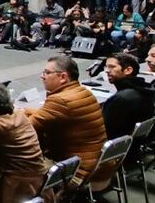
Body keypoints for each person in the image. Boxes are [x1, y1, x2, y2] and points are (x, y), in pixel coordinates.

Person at [24, 55, 109, 189]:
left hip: (74, 172)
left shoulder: (60, 100)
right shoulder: (83, 92)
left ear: (63, 77)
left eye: (47, 72)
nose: (42, 76)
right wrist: (25, 111)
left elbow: (25, 129)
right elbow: (46, 115)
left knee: (14, 163)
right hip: (94, 164)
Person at [101, 53, 153, 140]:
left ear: (128, 70)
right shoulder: (144, 90)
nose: (107, 70)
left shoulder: (122, 98)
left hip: (114, 148)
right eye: (106, 67)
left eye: (112, 67)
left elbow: (104, 129)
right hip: (132, 147)